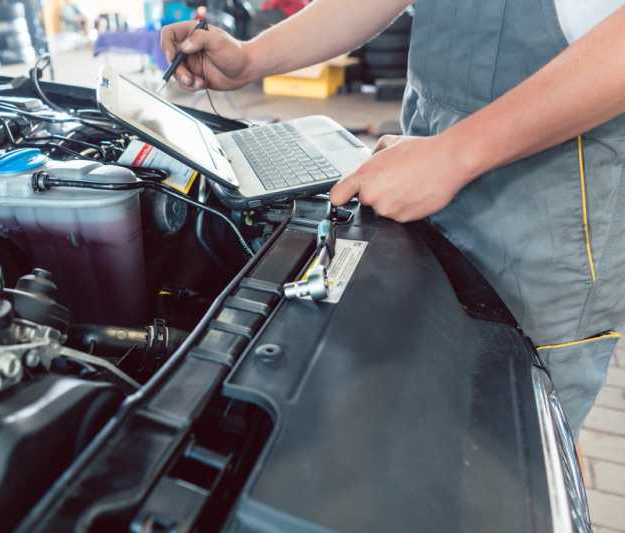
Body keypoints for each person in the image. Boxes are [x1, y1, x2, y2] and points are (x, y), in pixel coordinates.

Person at [161, 1, 625, 436]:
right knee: (421, 413)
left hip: (545, 225)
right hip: (422, 183)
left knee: (509, 445)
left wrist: (456, 153)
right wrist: (250, 58)